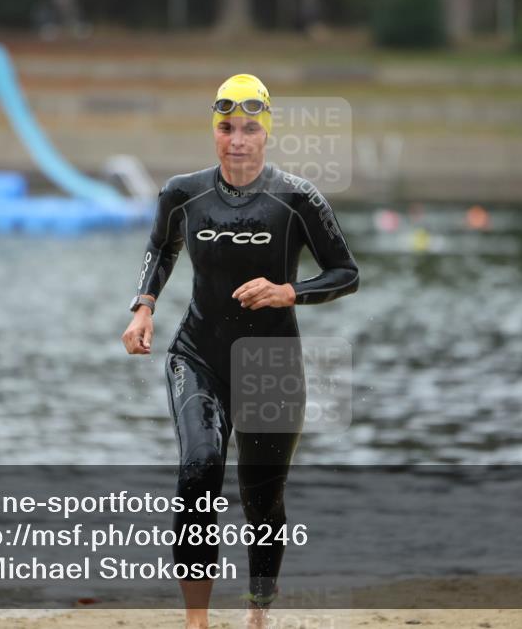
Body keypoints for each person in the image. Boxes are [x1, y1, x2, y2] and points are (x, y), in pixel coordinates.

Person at [121, 74, 359, 629]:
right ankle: (196, 622)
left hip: (272, 367)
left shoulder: (297, 199)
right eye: (226, 128)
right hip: (198, 355)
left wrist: (289, 291)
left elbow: (347, 272)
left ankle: (258, 614)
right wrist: (144, 305)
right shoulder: (184, 192)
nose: (237, 140)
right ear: (215, 132)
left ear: (266, 133)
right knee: (199, 469)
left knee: (262, 501)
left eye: (250, 128)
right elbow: (162, 246)